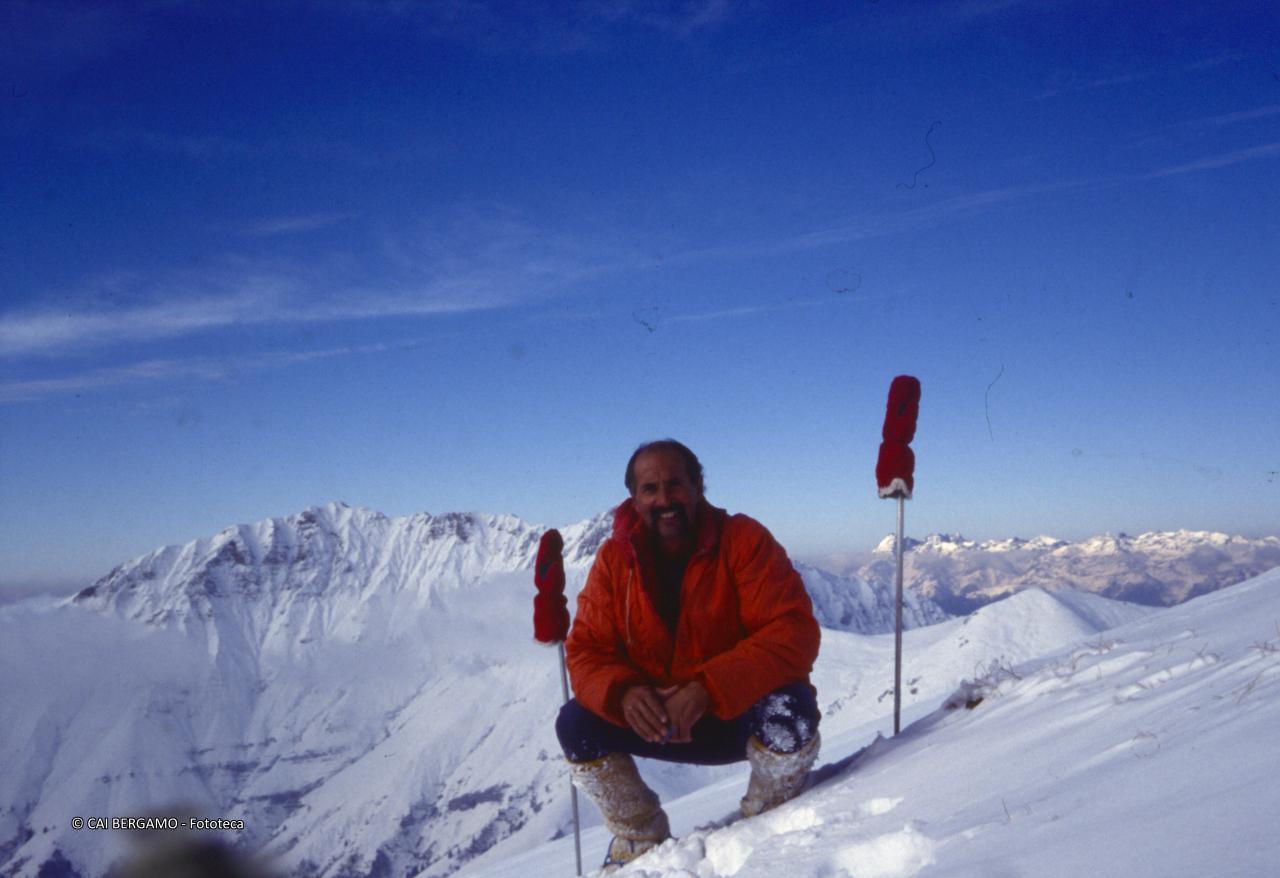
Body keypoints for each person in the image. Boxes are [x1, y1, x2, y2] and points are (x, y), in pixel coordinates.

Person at [556, 439, 821, 870]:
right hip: (656, 720)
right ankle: (639, 838)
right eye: (650, 489)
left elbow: (792, 632)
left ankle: (770, 820)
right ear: (634, 498)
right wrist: (623, 693)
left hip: (732, 715)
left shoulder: (743, 540)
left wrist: (709, 687)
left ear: (698, 486)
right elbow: (586, 649)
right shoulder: (613, 562)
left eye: (675, 484)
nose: (664, 500)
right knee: (577, 724)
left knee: (789, 713)